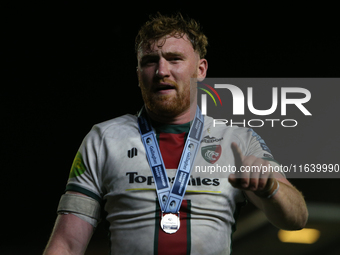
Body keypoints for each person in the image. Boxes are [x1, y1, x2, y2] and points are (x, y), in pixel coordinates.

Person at [44, 13, 308, 255]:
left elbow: (296, 218)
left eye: (174, 59)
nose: (161, 71)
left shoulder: (238, 141)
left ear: (200, 70)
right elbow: (66, 245)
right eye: (149, 62)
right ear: (138, 74)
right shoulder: (102, 139)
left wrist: (270, 187)